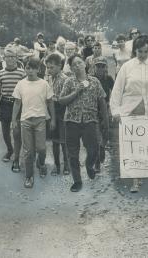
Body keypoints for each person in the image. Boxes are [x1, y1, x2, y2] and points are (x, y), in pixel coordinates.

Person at [110, 35, 148, 193]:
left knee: (146, 145)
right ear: (134, 50)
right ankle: (135, 179)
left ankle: (145, 171)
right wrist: (115, 111)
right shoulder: (127, 67)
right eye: (139, 51)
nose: (143, 54)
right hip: (131, 110)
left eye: (146, 51)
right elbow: (117, 90)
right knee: (133, 145)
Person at [59, 54, 109, 192]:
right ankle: (77, 181)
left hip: (90, 121)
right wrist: (76, 91)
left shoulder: (95, 81)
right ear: (71, 68)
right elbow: (61, 100)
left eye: (79, 63)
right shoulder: (69, 82)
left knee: (93, 150)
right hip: (71, 121)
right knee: (72, 153)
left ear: (85, 64)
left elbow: (102, 102)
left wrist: (106, 121)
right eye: (74, 64)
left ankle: (89, 165)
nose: (77, 66)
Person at [12, 58, 56, 188]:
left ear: (38, 69)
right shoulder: (20, 84)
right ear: (25, 69)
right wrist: (13, 119)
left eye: (33, 68)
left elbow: (50, 102)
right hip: (25, 120)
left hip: (40, 120)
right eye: (27, 68)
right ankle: (29, 177)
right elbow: (17, 103)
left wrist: (53, 119)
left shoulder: (44, 84)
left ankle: (41, 163)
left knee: (41, 148)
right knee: (28, 151)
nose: (30, 71)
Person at [0, 47, 26, 171]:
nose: (11, 59)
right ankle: (9, 150)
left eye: (13, 57)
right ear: (4, 58)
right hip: (5, 104)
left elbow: (26, 90)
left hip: (18, 104)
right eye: (8, 57)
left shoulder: (22, 73)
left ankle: (16, 159)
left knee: (17, 132)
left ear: (16, 58)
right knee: (5, 131)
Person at [44, 53, 70, 176]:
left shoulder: (64, 79)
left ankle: (66, 164)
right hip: (52, 110)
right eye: (47, 67)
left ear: (60, 66)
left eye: (51, 67)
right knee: (54, 140)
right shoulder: (49, 78)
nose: (49, 70)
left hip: (62, 111)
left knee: (64, 140)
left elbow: (64, 99)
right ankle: (57, 164)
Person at [93, 56, 115, 172]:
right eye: (98, 66)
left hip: (105, 107)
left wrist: (112, 106)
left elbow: (116, 91)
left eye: (102, 66)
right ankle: (97, 163)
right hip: (94, 108)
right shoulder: (91, 78)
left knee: (106, 130)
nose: (100, 68)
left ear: (105, 67)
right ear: (94, 67)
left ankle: (103, 146)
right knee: (96, 135)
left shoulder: (109, 79)